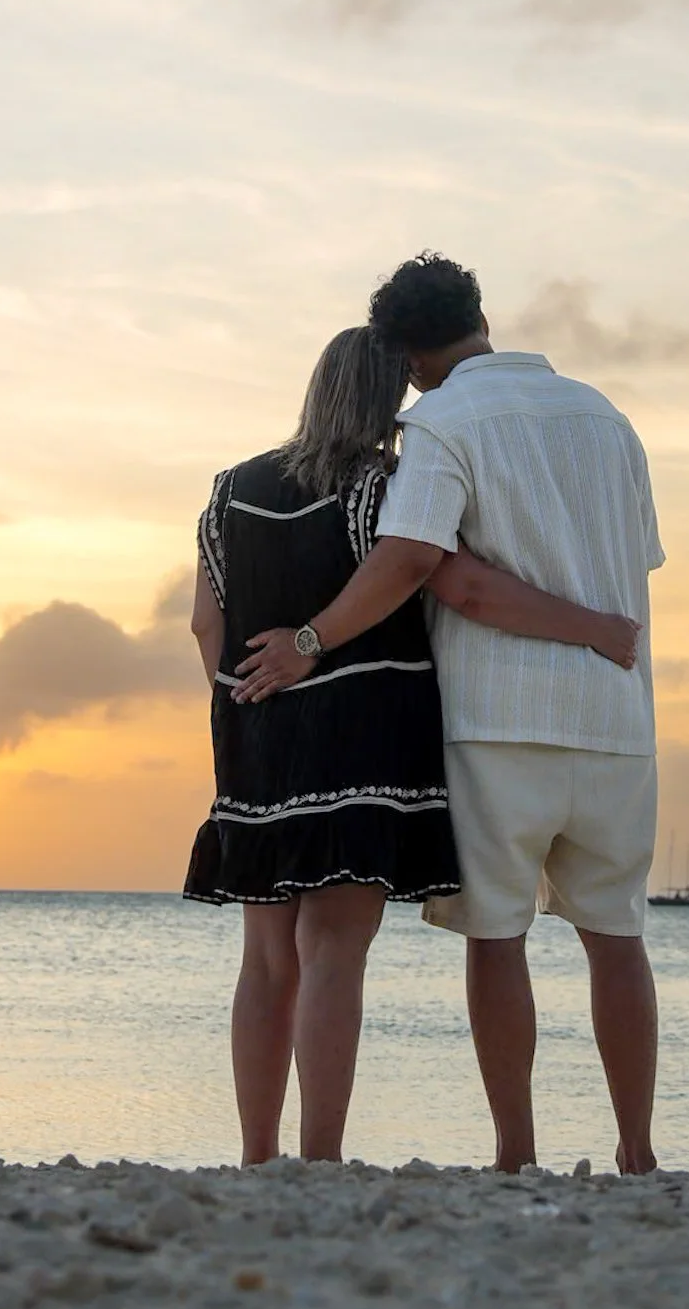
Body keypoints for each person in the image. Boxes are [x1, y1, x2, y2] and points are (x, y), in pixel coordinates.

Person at [234, 255, 665, 1177]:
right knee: (616, 938)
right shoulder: (606, 417)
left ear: (408, 357)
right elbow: (642, 557)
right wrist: (595, 629)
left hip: (496, 717)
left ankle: (516, 1155)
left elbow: (418, 561)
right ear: (477, 316)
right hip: (617, 714)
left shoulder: (439, 422)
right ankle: (636, 1151)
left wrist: (309, 642)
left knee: (496, 939)